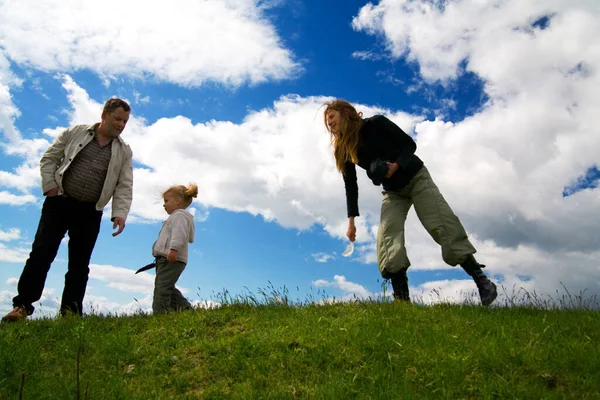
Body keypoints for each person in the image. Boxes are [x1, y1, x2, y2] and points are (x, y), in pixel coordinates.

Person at [323, 99, 497, 306]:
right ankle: (402, 301)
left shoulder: (376, 123)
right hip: (393, 192)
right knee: (388, 237)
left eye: (331, 116)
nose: (329, 123)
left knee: (441, 224)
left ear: (345, 113)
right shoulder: (344, 150)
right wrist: (351, 222)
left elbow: (409, 144)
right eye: (327, 121)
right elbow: (350, 185)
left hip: (416, 178)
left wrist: (396, 165)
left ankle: (482, 282)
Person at [2, 98, 134, 322]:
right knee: (41, 254)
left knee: (79, 265)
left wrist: (120, 213)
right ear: (104, 115)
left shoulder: (124, 151)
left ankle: (69, 315)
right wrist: (50, 187)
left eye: (125, 121)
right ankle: (22, 307)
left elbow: (124, 183)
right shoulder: (76, 132)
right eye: (117, 119)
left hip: (90, 212)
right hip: (59, 203)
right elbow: (50, 158)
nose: (121, 125)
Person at [151, 183, 198, 314]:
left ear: (177, 200)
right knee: (167, 287)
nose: (164, 204)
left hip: (170, 258)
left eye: (166, 201)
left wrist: (173, 249)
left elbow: (180, 234)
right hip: (166, 258)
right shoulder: (178, 216)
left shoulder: (180, 216)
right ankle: (186, 310)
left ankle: (161, 315)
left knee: (162, 288)